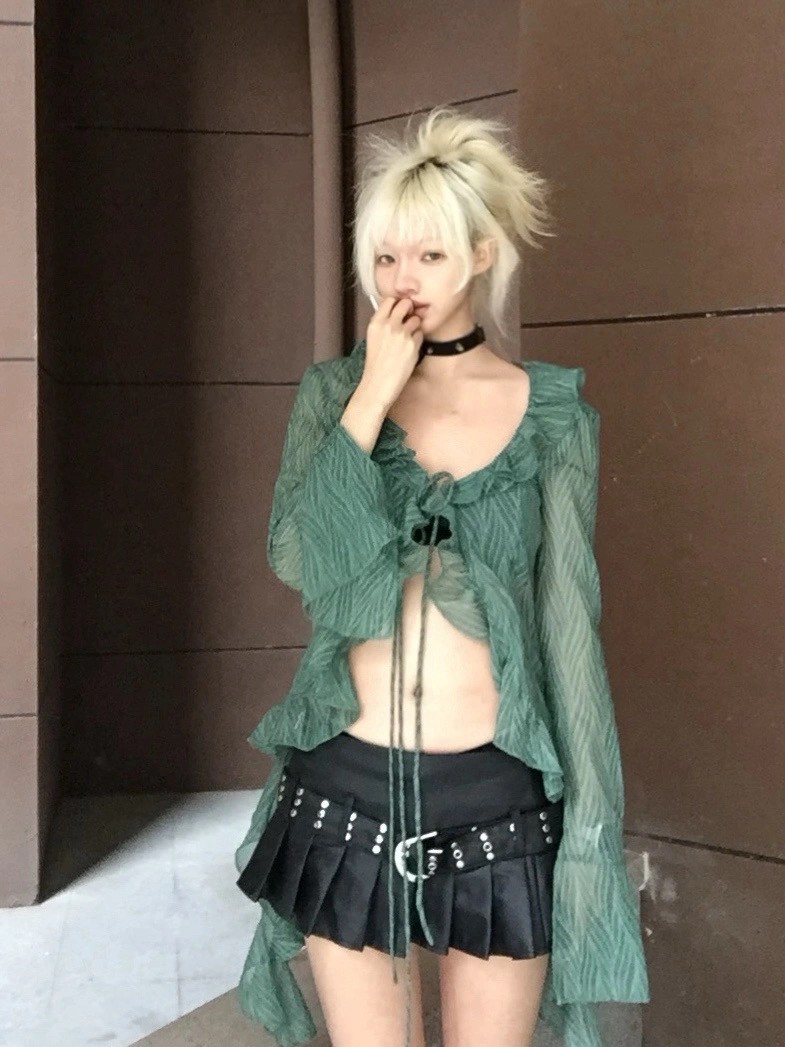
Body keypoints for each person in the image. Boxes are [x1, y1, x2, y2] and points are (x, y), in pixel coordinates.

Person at [233, 105, 650, 1047]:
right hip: (342, 788)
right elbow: (304, 560)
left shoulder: (551, 414)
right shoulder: (333, 395)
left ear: (482, 253)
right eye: (384, 257)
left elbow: (569, 626)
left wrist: (590, 826)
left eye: (426, 255)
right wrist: (373, 391)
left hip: (495, 799)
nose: (401, 280)